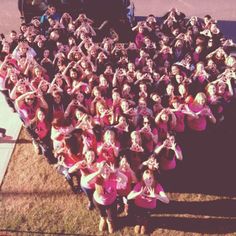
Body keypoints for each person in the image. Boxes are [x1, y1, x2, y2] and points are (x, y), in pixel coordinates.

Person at [127, 169, 169, 234]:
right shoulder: (140, 185)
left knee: (146, 217)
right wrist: (139, 193)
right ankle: (139, 223)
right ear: (143, 179)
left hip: (149, 208)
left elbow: (167, 201)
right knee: (139, 216)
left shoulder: (157, 186)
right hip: (138, 206)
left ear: (153, 178)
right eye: (146, 178)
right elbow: (129, 197)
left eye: (150, 178)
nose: (148, 180)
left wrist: (156, 195)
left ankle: (144, 224)